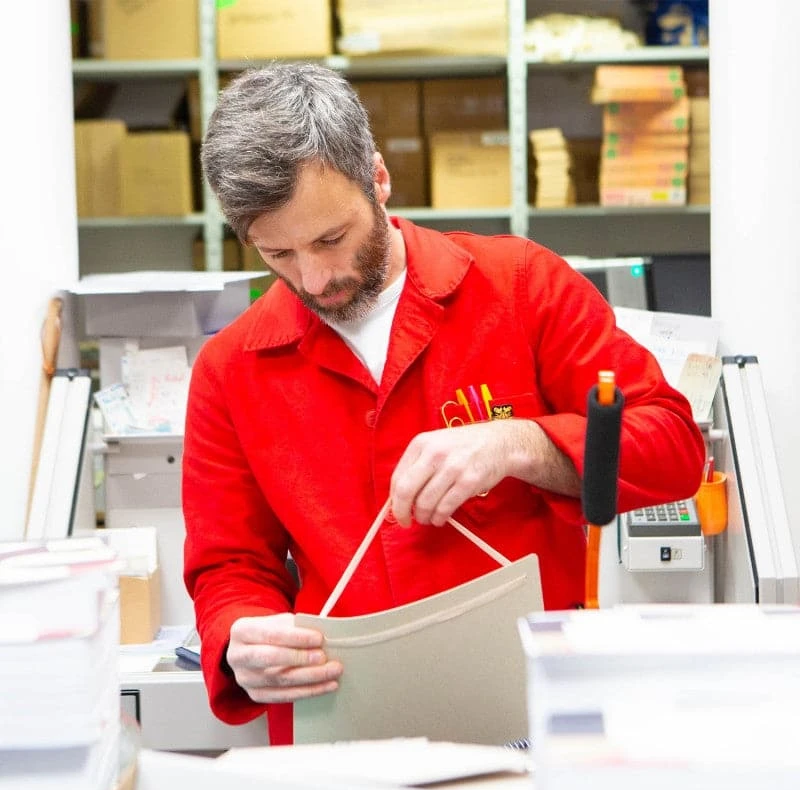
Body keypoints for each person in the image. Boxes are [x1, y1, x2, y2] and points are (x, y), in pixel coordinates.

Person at [182, 62, 706, 745]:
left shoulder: (521, 286)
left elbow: (671, 447)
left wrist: (521, 444)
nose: (314, 278)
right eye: (277, 253)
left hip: (530, 713)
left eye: (331, 239)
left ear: (377, 178)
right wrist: (240, 636)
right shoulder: (231, 368)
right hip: (347, 726)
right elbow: (229, 565)